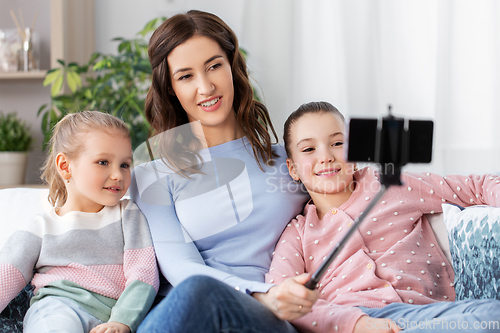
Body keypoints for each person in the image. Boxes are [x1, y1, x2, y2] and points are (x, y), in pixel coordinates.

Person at [129, 10, 316, 333]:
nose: (206, 87)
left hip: (267, 320)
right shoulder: (151, 176)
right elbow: (181, 266)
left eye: (214, 66)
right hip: (190, 313)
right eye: (186, 76)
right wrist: (262, 294)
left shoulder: (292, 161)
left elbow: (356, 199)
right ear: (171, 87)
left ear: (232, 66)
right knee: (197, 290)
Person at [266, 101, 500, 333]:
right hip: (351, 321)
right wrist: (355, 324)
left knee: (492, 316)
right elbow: (282, 298)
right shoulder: (298, 232)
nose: (326, 156)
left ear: (353, 152)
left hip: (426, 317)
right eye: (308, 149)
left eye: (337, 143)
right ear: (292, 168)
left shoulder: (390, 184)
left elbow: (477, 186)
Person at [0, 111, 159, 333]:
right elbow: (6, 275)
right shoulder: (40, 227)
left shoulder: (129, 216)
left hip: (113, 316)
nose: (118, 175)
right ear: (65, 166)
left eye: (124, 164)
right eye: (103, 162)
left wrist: (122, 320)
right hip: (58, 308)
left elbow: (144, 275)